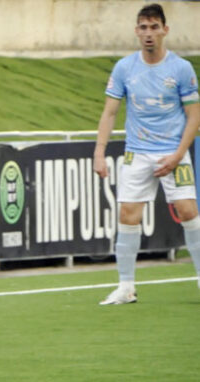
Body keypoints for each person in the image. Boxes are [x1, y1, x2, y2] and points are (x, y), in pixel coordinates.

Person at [93, 3, 200, 305]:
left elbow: (194, 116)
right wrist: (99, 152)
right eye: (143, 27)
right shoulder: (125, 68)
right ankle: (126, 287)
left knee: (188, 211)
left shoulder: (181, 68)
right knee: (128, 215)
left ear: (165, 30)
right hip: (137, 153)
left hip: (172, 152)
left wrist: (179, 155)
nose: (148, 33)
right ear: (137, 31)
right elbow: (110, 113)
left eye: (154, 27)